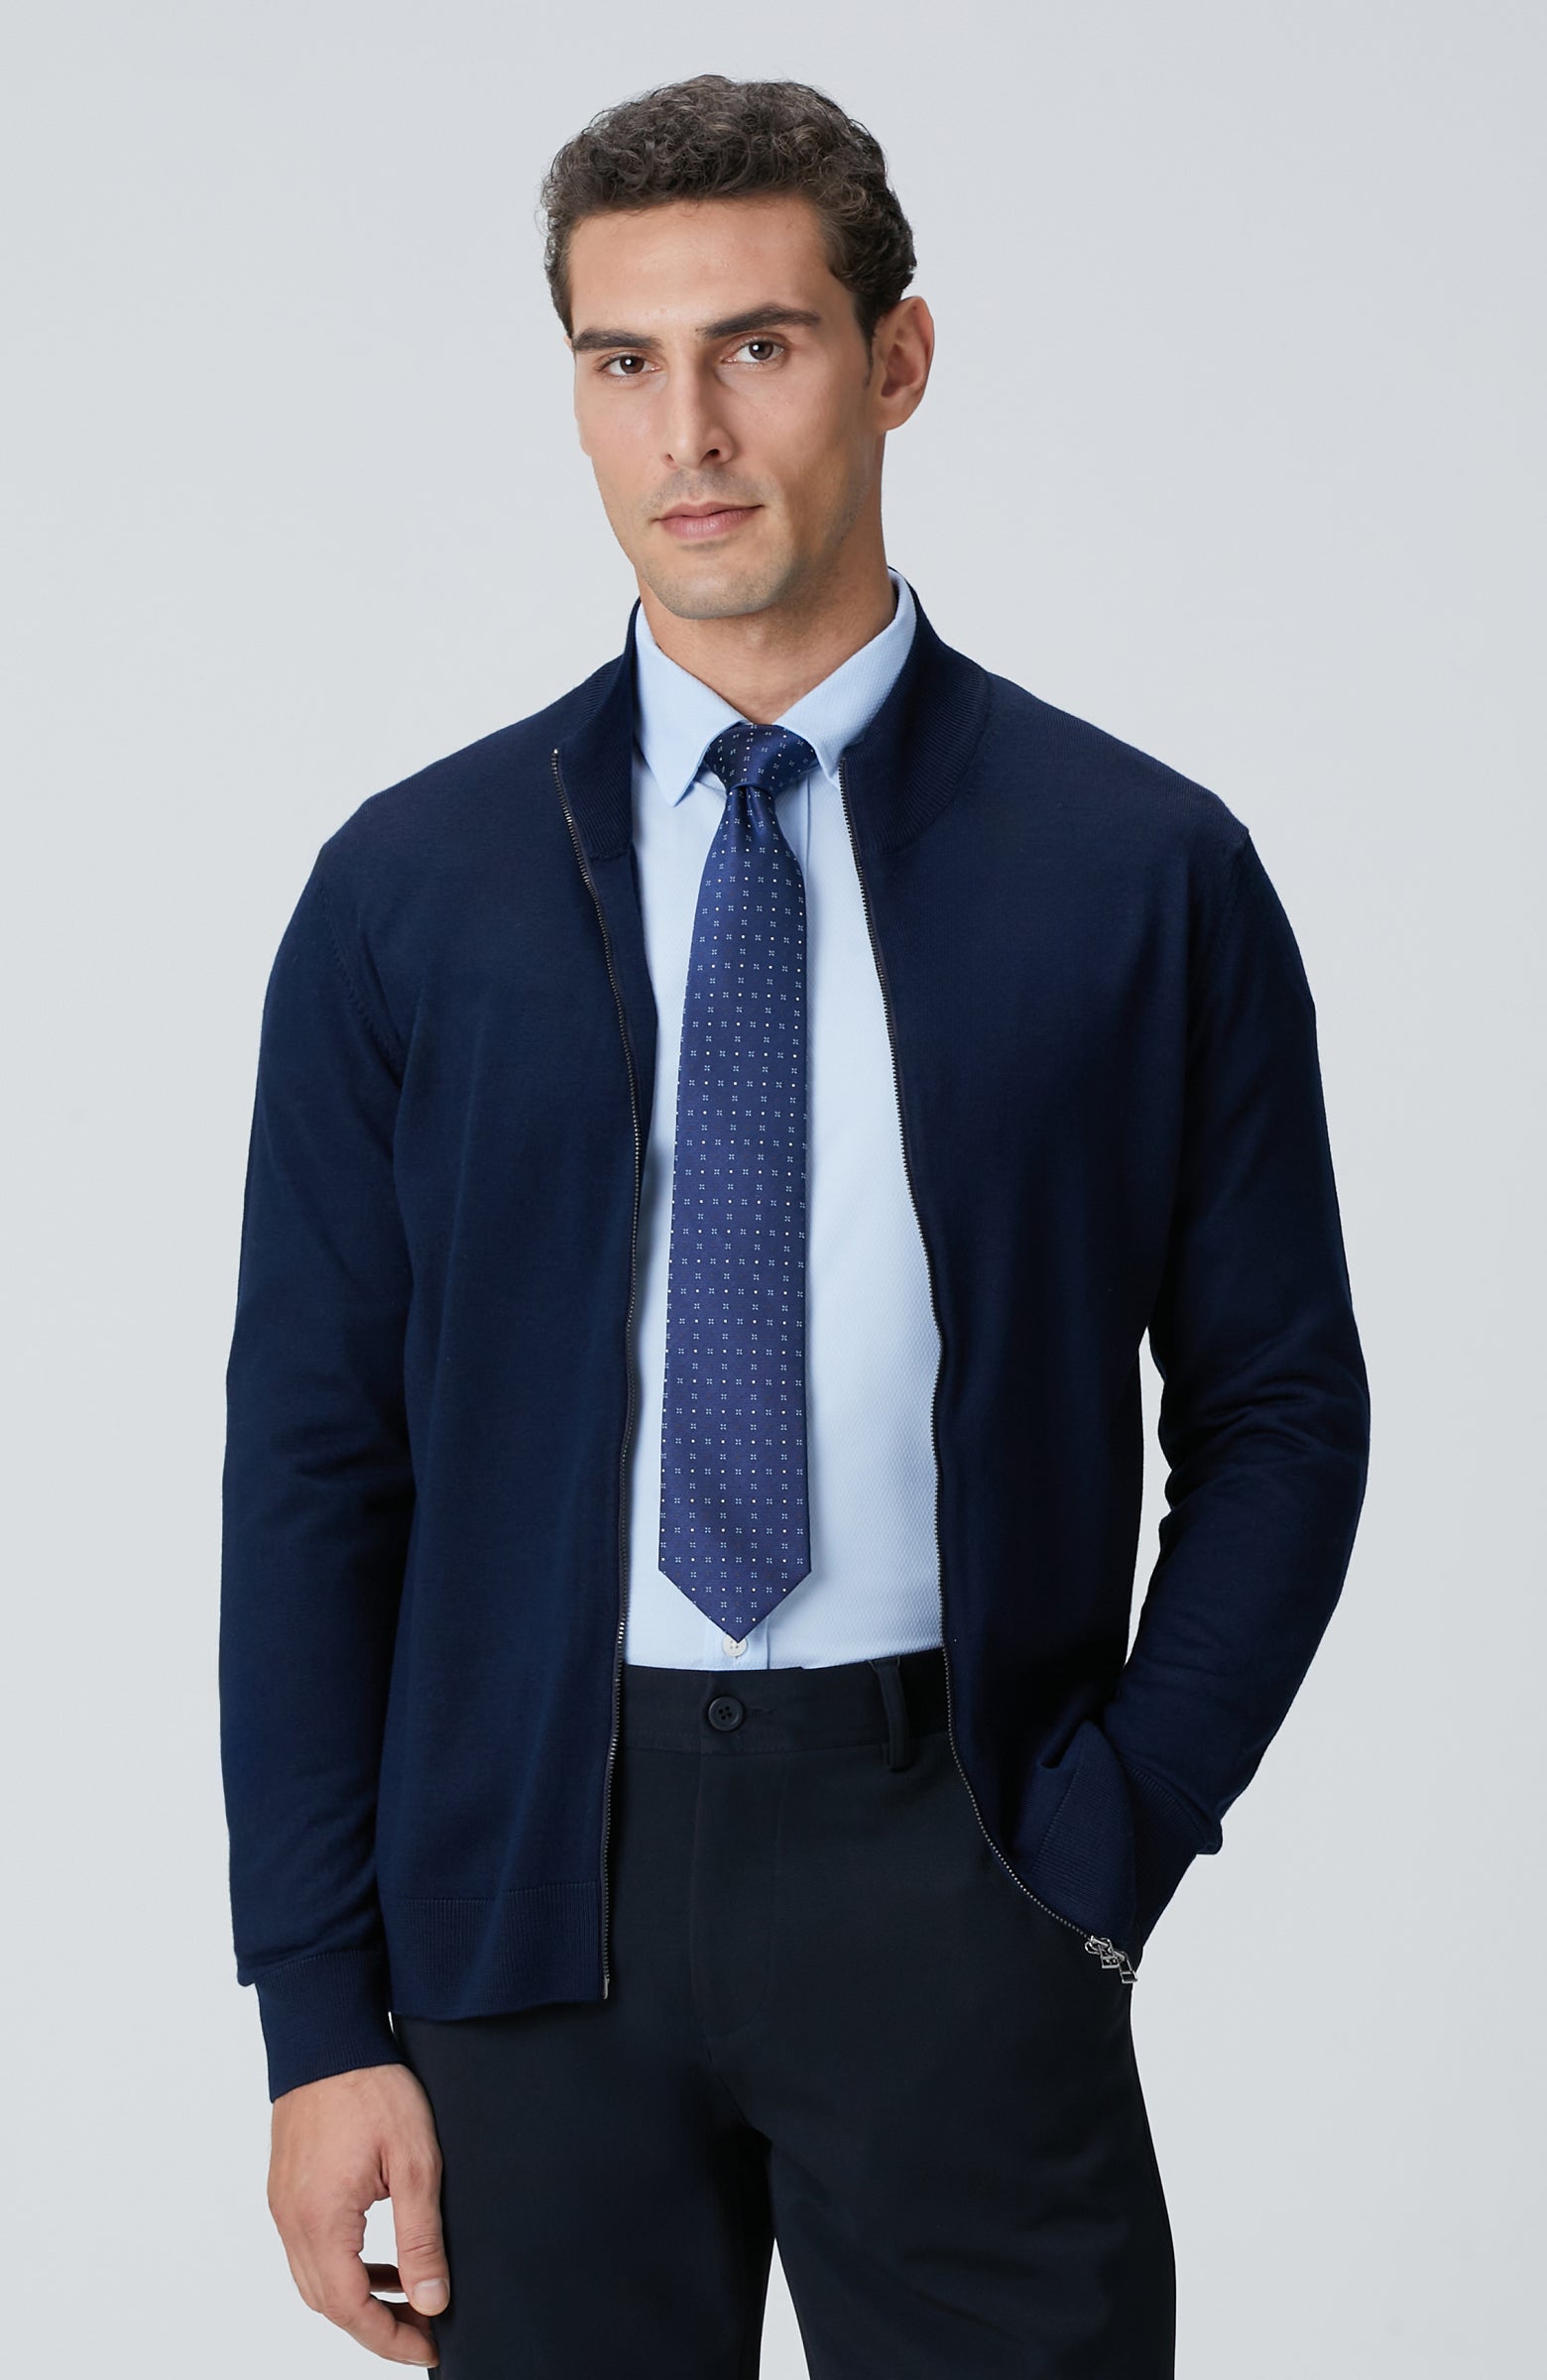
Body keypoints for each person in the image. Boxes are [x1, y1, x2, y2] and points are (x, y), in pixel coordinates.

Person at [219, 71, 1370, 2378]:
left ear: (895, 359)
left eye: (759, 345)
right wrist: (320, 2015)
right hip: (526, 1895)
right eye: (623, 361)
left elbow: (1281, 1410)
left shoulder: (1138, 872)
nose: (691, 433)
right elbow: (315, 1468)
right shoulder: (409, 893)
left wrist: (1111, 1836)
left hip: (960, 1859)